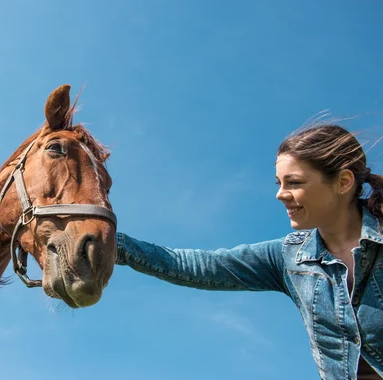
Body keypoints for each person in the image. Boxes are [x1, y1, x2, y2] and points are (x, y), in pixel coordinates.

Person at [116, 124, 383, 380]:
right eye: (278, 182)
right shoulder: (288, 257)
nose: (280, 194)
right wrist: (116, 245)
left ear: (343, 182)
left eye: (294, 182)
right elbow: (201, 266)